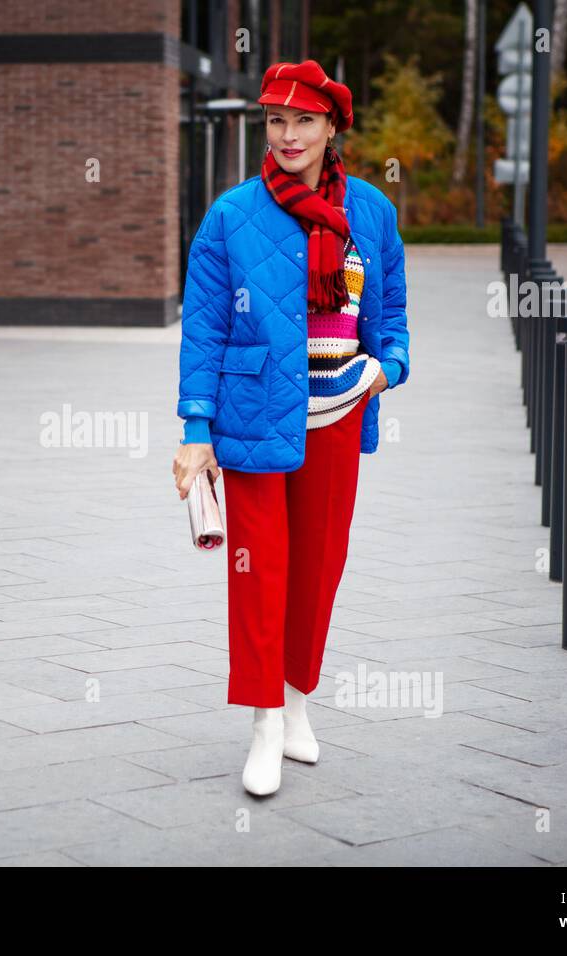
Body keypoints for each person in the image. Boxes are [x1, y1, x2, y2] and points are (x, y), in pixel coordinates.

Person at [171, 59, 411, 796]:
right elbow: (203, 330)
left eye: (304, 120)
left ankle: (300, 702)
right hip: (251, 418)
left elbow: (392, 318)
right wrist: (195, 427)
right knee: (258, 571)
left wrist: (385, 369)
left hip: (339, 416)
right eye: (275, 120)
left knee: (317, 567)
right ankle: (264, 721)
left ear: (332, 127)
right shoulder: (230, 216)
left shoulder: (371, 212)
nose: (287, 135)